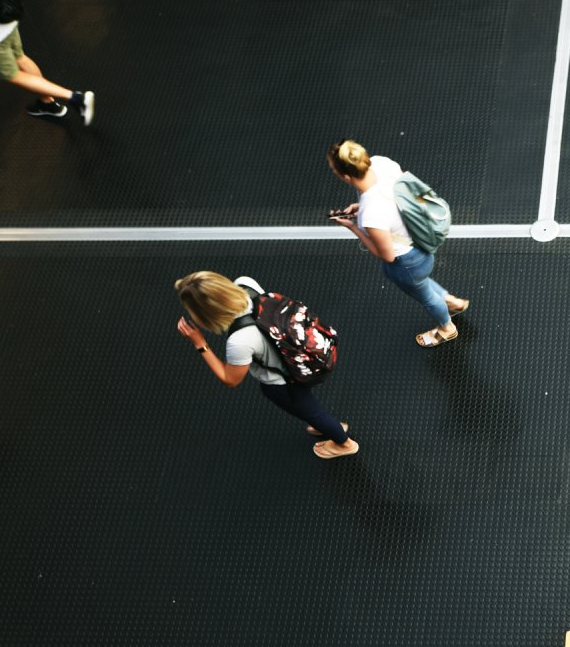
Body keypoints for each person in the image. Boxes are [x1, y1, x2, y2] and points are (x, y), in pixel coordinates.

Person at [173, 271, 359, 460]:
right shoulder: (246, 284)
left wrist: (200, 344)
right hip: (303, 359)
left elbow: (230, 379)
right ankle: (325, 425)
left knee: (311, 412)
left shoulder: (239, 341)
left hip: (284, 382)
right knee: (310, 408)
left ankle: (343, 442)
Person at [327, 140, 468, 347]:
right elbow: (401, 195)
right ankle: (451, 302)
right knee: (422, 283)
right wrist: (361, 208)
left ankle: (447, 328)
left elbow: (387, 255)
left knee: (426, 296)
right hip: (421, 238)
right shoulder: (381, 163)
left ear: (346, 176)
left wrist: (353, 227)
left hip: (408, 261)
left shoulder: (371, 212)